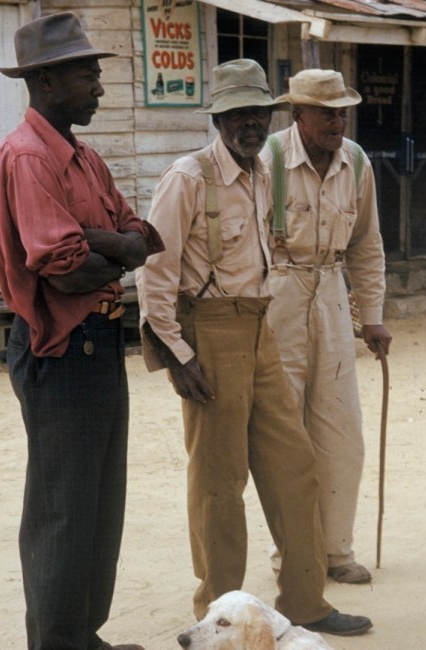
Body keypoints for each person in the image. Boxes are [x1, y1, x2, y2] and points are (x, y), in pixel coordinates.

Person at [134, 59, 372, 637]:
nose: (248, 123)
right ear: (218, 118)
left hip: (262, 327)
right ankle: (218, 617)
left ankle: (305, 601)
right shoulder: (188, 177)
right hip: (210, 333)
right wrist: (178, 355)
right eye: (236, 114)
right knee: (220, 483)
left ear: (271, 116)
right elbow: (154, 273)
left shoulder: (264, 173)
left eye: (257, 113)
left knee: (295, 466)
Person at [0, 12, 163, 650]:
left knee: (97, 505)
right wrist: (111, 249)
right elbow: (64, 271)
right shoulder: (30, 158)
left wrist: (105, 242)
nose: (99, 88)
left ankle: (81, 636)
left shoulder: (82, 158)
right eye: (88, 75)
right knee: (63, 510)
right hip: (61, 349)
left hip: (101, 343)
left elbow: (144, 235)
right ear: (48, 80)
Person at [259, 68, 392, 585]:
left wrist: (373, 317)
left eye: (342, 111)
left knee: (341, 430)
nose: (337, 121)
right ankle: (293, 555)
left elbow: (367, 244)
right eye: (325, 112)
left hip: (333, 293)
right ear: (298, 114)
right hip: (279, 294)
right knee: (284, 433)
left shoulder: (356, 162)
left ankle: (337, 550)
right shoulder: (267, 158)